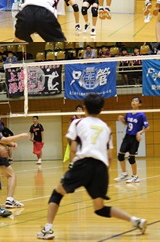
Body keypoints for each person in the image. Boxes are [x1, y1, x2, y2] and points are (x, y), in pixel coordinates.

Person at [37, 94, 147, 240]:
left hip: (83, 164)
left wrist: (74, 166)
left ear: (84, 108)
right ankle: (136, 221)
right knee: (100, 208)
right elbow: (109, 156)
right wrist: (103, 175)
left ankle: (48, 229)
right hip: (100, 168)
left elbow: (73, 148)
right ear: (101, 109)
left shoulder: (77, 123)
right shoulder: (106, 128)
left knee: (57, 193)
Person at [114, 97, 149, 183]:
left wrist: (139, 133)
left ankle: (135, 176)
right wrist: (121, 120)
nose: (133, 102)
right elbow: (126, 123)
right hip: (127, 136)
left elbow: (147, 127)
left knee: (131, 158)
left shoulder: (141, 115)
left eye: (136, 101)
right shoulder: (128, 113)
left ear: (139, 104)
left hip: (134, 138)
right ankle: (124, 174)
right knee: (120, 155)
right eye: (133, 101)